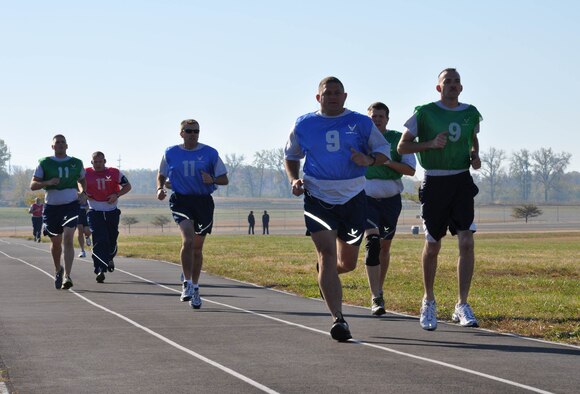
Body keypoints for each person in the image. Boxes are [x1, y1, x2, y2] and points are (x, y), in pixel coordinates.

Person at [284, 76, 390, 341]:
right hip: (317, 196)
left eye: (336, 92)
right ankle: (338, 319)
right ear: (318, 97)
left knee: (348, 263)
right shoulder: (304, 123)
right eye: (327, 92)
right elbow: (291, 156)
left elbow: (384, 152)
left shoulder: (362, 123)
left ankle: (325, 275)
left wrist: (368, 159)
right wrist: (294, 179)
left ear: (344, 96)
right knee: (327, 255)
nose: (332, 96)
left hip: (353, 196)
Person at [398, 68, 482, 330]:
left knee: (466, 241)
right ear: (439, 88)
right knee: (433, 245)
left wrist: (475, 156)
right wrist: (430, 144)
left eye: (457, 81)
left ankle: (462, 304)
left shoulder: (470, 112)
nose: (453, 85)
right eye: (448, 81)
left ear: (461, 87)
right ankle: (429, 300)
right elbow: (403, 147)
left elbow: (473, 139)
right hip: (435, 181)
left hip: (461, 180)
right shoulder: (424, 112)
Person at [157, 119, 229, 310]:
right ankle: (187, 283)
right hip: (181, 200)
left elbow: (224, 179)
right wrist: (159, 188)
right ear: (181, 133)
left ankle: (196, 287)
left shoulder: (210, 153)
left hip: (203, 202)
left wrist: (211, 179)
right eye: (188, 131)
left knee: (197, 248)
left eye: (196, 131)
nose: (193, 134)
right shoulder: (171, 152)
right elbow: (161, 174)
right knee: (187, 240)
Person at [364, 102, 416, 316]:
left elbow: (411, 170)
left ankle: (379, 288)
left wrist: (385, 162)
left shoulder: (396, 140)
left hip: (391, 199)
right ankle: (375, 296)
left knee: (384, 247)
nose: (376, 119)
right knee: (373, 243)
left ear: (387, 119)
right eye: (373, 116)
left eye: (380, 116)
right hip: (366, 198)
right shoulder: (360, 139)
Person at [30, 134, 87, 290]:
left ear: (67, 146)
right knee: (56, 243)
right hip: (52, 207)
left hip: (71, 205)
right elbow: (33, 185)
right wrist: (48, 182)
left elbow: (82, 180)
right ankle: (58, 269)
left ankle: (67, 276)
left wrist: (83, 192)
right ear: (52, 146)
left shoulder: (76, 163)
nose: (60, 145)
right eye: (57, 143)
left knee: (68, 239)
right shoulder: (45, 163)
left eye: (63, 142)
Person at [85, 151, 132, 283]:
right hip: (95, 211)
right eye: (95, 162)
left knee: (111, 239)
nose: (98, 164)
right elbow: (78, 183)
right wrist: (84, 192)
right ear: (91, 162)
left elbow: (127, 186)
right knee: (100, 239)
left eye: (100, 162)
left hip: (111, 211)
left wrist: (116, 195)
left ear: (104, 161)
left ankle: (110, 257)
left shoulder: (114, 173)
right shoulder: (85, 173)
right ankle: (100, 269)